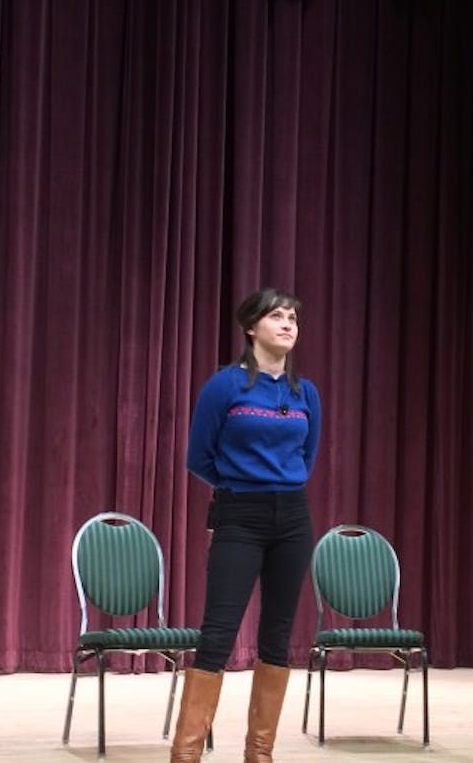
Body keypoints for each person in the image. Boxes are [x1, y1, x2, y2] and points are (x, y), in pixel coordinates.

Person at [170, 288, 322, 763]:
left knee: (277, 636)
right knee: (217, 633)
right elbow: (199, 456)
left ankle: (260, 753)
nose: (287, 324)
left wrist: (277, 482)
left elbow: (307, 456)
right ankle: (187, 754)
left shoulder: (305, 393)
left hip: (293, 518)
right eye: (276, 316)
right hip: (240, 514)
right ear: (250, 328)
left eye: (293, 317)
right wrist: (242, 482)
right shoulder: (224, 386)